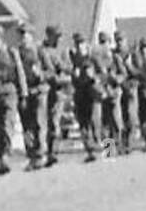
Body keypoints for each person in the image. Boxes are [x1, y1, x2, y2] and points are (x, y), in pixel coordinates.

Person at [0, 25, 27, 175]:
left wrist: (24, 94)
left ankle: (5, 156)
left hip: (9, 93)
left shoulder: (10, 52)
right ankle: (1, 156)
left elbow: (20, 73)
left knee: (7, 126)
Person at [15, 24, 50, 171]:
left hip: (39, 91)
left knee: (39, 124)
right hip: (24, 93)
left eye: (25, 34)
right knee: (26, 126)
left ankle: (41, 154)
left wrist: (40, 74)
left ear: (31, 35)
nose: (23, 37)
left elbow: (50, 71)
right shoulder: (16, 53)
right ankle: (31, 156)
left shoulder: (39, 51)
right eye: (21, 34)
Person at [39, 25, 72, 167]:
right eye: (56, 36)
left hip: (59, 90)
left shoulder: (63, 51)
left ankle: (53, 152)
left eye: (60, 37)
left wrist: (62, 68)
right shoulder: (41, 50)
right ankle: (43, 151)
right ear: (49, 36)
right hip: (44, 89)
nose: (59, 39)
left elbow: (69, 67)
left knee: (54, 122)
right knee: (42, 123)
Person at [70, 32, 105, 161]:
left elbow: (104, 74)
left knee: (98, 123)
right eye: (77, 44)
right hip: (80, 95)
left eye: (82, 44)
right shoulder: (74, 59)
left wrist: (94, 77)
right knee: (84, 124)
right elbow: (72, 79)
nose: (80, 47)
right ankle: (91, 152)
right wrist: (75, 75)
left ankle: (109, 150)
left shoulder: (93, 58)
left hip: (93, 94)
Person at [111, 31, 138, 153]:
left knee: (131, 117)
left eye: (121, 40)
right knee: (114, 120)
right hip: (116, 89)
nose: (119, 43)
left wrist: (129, 66)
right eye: (117, 40)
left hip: (130, 88)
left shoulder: (132, 54)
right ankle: (110, 150)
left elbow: (139, 72)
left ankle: (128, 145)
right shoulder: (112, 55)